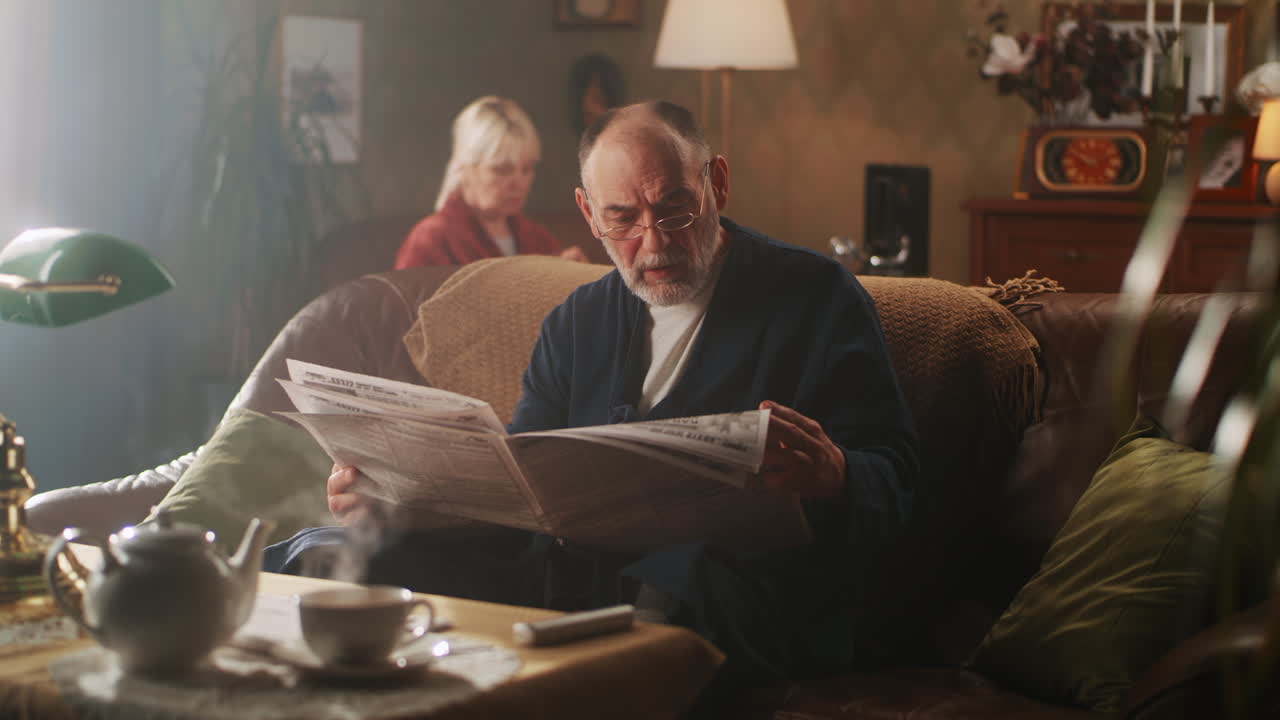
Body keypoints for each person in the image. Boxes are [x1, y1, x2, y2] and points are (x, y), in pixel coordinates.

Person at [270, 100, 919, 712]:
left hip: (727, 595)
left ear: (716, 183)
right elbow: (523, 491)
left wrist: (835, 473)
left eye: (674, 210)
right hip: (560, 584)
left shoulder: (814, 297)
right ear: (587, 213)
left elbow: (899, 478)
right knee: (325, 555)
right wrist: (399, 508)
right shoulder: (576, 322)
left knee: (674, 582)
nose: (654, 241)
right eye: (623, 220)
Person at [394, 96, 588, 268]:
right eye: (502, 170)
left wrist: (574, 281)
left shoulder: (538, 238)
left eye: (527, 169)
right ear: (464, 167)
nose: (519, 183)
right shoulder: (430, 240)